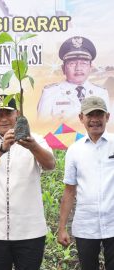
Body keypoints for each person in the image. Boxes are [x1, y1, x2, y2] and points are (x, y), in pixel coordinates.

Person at [0, 94, 55, 270]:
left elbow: (50, 164)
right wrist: (2, 147)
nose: (3, 119)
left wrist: (32, 146)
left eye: (8, 113)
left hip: (30, 231)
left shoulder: (36, 139)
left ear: (17, 114)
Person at [58, 96, 114, 270]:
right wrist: (61, 228)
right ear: (81, 118)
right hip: (86, 226)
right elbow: (69, 190)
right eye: (90, 115)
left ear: (107, 117)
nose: (95, 119)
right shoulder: (75, 150)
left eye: (100, 114)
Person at [37, 36, 110, 122]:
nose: (78, 68)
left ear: (90, 67)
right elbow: (42, 127)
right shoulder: (50, 92)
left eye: (83, 63)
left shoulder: (101, 93)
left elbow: (107, 127)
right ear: (63, 68)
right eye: (72, 63)